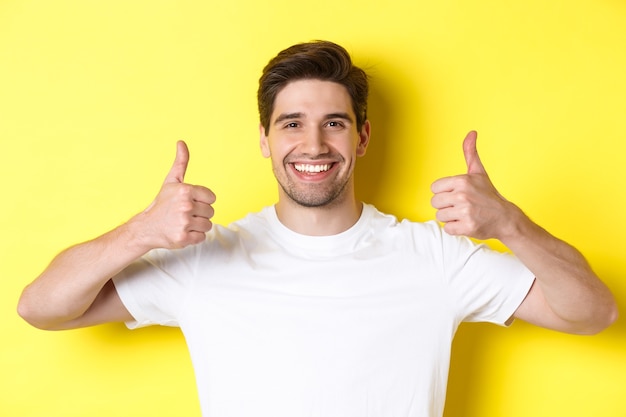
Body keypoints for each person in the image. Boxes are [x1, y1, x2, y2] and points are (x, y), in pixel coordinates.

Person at [18, 40, 617, 417]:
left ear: (362, 137)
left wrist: (510, 224)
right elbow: (41, 307)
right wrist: (140, 232)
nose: (312, 144)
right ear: (263, 139)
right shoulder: (204, 262)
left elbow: (593, 313)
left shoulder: (434, 257)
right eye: (291, 124)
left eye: (334, 123)